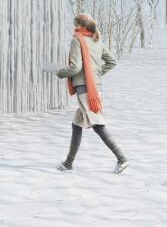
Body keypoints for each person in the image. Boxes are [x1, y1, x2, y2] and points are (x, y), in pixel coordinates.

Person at [49, 13, 129, 174]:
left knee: (98, 125)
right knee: (76, 125)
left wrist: (59, 73)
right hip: (95, 88)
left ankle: (122, 158)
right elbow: (112, 61)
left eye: (75, 24)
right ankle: (68, 163)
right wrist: (95, 75)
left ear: (78, 24)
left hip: (85, 89)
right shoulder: (95, 38)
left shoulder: (77, 39)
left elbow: (75, 67)